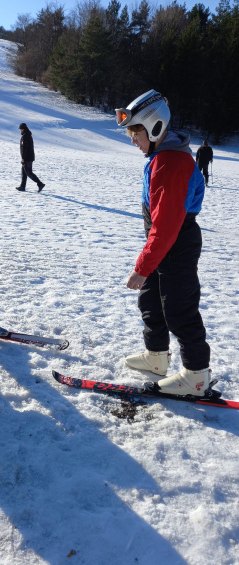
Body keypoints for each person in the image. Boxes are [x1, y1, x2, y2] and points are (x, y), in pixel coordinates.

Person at [115, 90, 211, 396]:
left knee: (180, 309)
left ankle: (196, 376)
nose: (132, 140)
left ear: (155, 128)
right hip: (164, 241)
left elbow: (167, 226)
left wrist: (142, 267)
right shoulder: (161, 156)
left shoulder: (170, 163)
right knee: (151, 300)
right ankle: (156, 356)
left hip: (176, 242)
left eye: (136, 133)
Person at [16, 123, 45, 192]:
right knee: (24, 171)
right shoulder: (27, 135)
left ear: (24, 129)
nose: (20, 130)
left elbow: (24, 148)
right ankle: (22, 186)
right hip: (29, 157)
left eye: (21, 129)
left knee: (28, 172)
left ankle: (40, 184)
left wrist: (23, 158)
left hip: (27, 158)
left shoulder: (25, 136)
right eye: (20, 129)